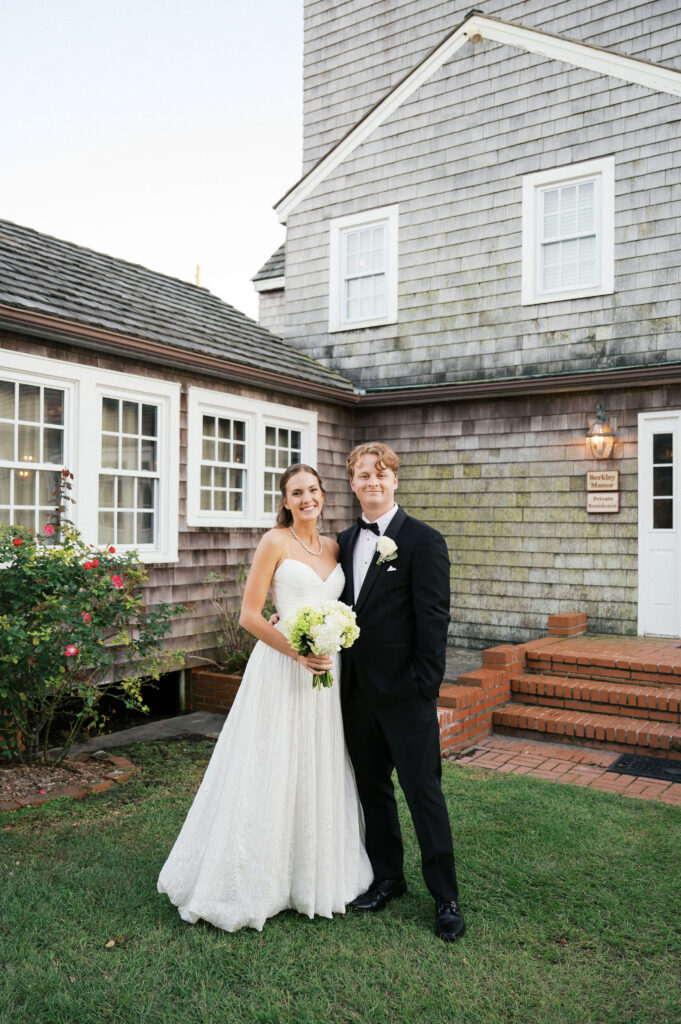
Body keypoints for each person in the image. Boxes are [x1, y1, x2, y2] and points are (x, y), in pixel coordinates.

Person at [158, 464, 372, 932]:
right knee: (270, 764)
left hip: (325, 674)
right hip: (281, 667)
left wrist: (327, 644)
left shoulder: (336, 546)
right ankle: (252, 879)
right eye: (296, 492)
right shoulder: (274, 542)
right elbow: (250, 617)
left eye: (312, 490)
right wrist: (297, 651)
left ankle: (312, 875)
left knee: (317, 764)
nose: (306, 498)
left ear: (323, 495)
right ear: (285, 501)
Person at [337, 442, 465, 942]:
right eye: (363, 475)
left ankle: (446, 897)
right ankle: (388, 876)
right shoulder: (345, 540)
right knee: (373, 792)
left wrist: (424, 687)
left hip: (407, 695)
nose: (372, 482)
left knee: (423, 794)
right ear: (352, 483)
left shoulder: (423, 541)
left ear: (395, 481)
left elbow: (434, 618)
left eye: (381, 474)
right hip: (356, 695)